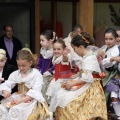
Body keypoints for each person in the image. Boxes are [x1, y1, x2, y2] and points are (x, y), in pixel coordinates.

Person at [49, 33, 107, 120]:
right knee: (60, 94)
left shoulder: (89, 58)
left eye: (74, 49)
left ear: (80, 47)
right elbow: (84, 73)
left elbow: (86, 78)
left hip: (90, 87)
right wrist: (75, 77)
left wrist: (71, 84)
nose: (74, 51)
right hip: (85, 82)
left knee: (67, 100)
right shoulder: (87, 56)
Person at [0, 48, 52, 120]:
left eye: (23, 66)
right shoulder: (16, 74)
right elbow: (8, 84)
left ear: (30, 63)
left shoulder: (35, 74)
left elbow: (36, 92)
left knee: (16, 109)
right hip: (18, 96)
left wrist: (21, 100)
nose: (21, 68)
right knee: (2, 108)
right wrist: (6, 91)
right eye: (19, 65)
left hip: (31, 99)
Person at [46, 38, 75, 103]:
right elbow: (57, 70)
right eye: (54, 49)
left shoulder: (64, 57)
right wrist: (54, 76)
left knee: (60, 98)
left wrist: (65, 55)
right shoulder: (55, 58)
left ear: (64, 49)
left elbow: (65, 60)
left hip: (64, 81)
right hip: (57, 80)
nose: (56, 51)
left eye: (58, 49)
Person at [37, 30, 55, 101]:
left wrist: (49, 72)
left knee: (43, 85)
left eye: (42, 40)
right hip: (42, 72)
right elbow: (40, 61)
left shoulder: (54, 51)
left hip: (50, 75)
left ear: (50, 40)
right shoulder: (43, 50)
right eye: (40, 40)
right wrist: (38, 69)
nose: (40, 42)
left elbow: (55, 65)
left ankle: (45, 104)